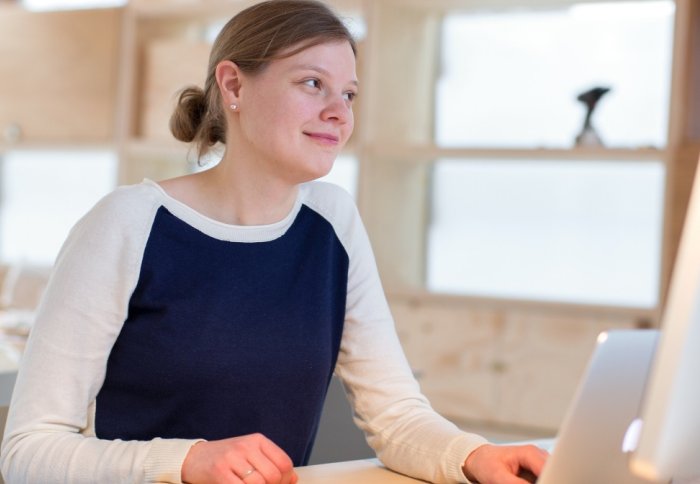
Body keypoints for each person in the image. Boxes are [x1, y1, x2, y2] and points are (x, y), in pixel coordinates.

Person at [0, 1, 547, 483]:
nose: (339, 112)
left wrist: (473, 455)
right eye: (313, 84)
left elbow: (396, 415)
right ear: (234, 85)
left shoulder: (333, 221)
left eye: (349, 93)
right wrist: (185, 463)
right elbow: (28, 453)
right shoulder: (126, 224)